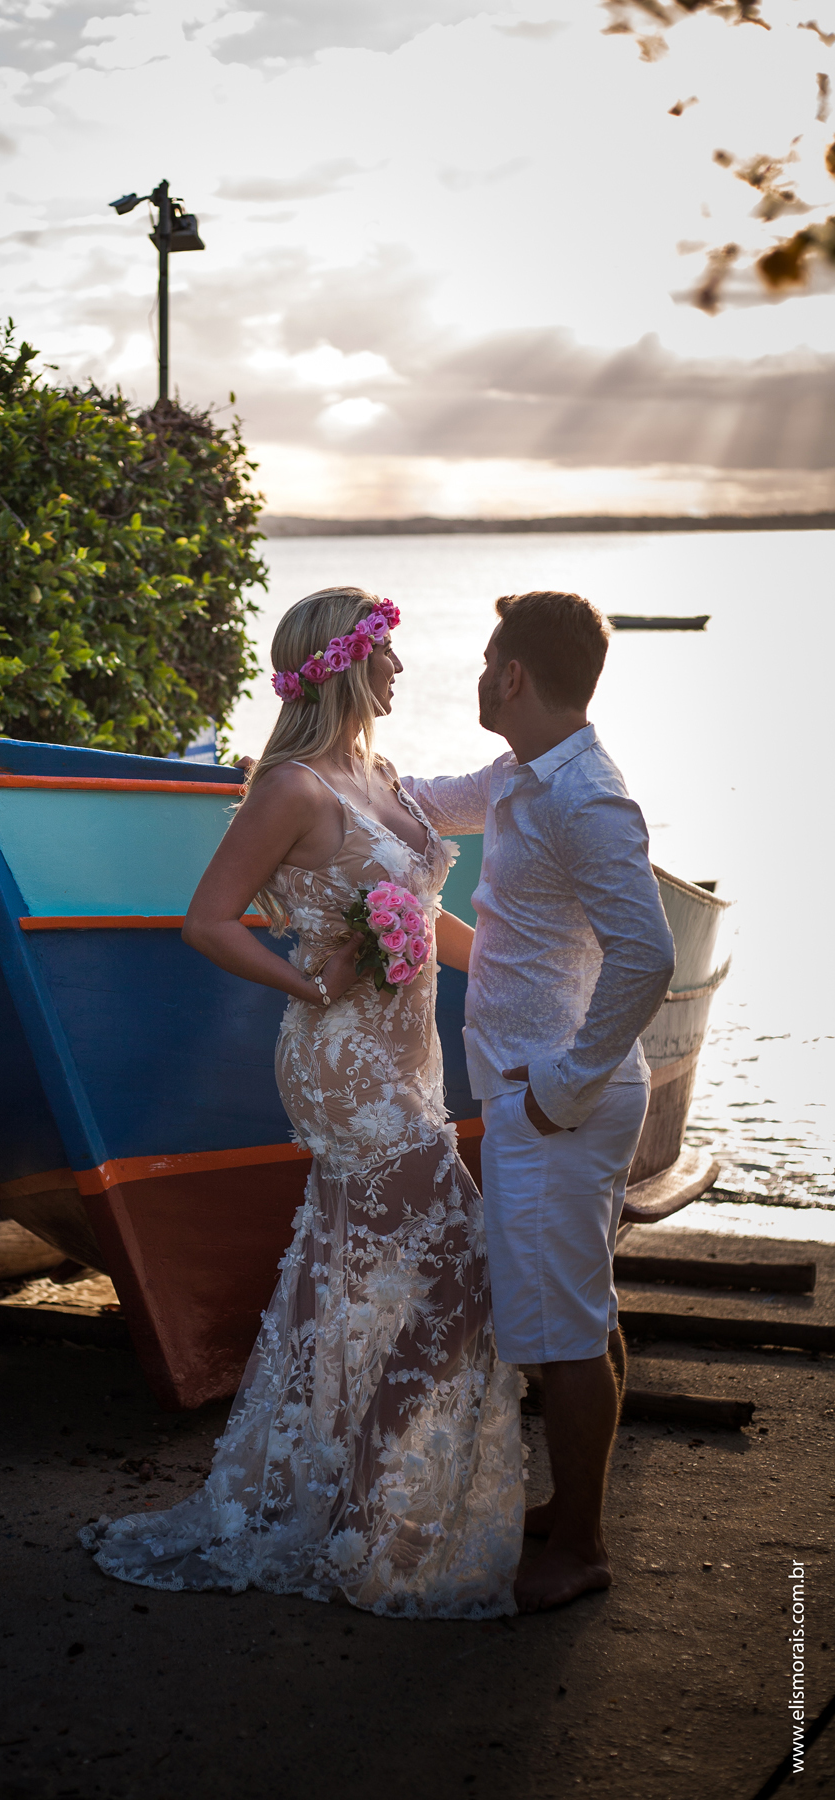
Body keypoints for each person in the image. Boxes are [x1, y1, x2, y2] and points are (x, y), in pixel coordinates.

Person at [80, 586, 526, 1619]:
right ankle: (369, 1500)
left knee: (345, 1285)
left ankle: (321, 1496)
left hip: (407, 1058)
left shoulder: (383, 778)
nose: (403, 672)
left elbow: (430, 920)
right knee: (465, 1267)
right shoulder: (290, 787)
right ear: (342, 665)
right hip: (341, 1062)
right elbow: (208, 921)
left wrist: (537, 977)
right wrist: (306, 981)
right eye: (387, 654)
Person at [403, 589, 676, 1613]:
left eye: (485, 658)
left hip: (559, 1098)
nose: (478, 672)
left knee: (560, 1334)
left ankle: (584, 1546)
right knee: (577, 1314)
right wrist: (324, 772)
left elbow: (647, 955)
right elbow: (429, 799)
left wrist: (563, 1084)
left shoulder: (585, 799)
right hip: (542, 1094)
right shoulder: (523, 774)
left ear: (512, 675)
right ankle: (571, 1513)